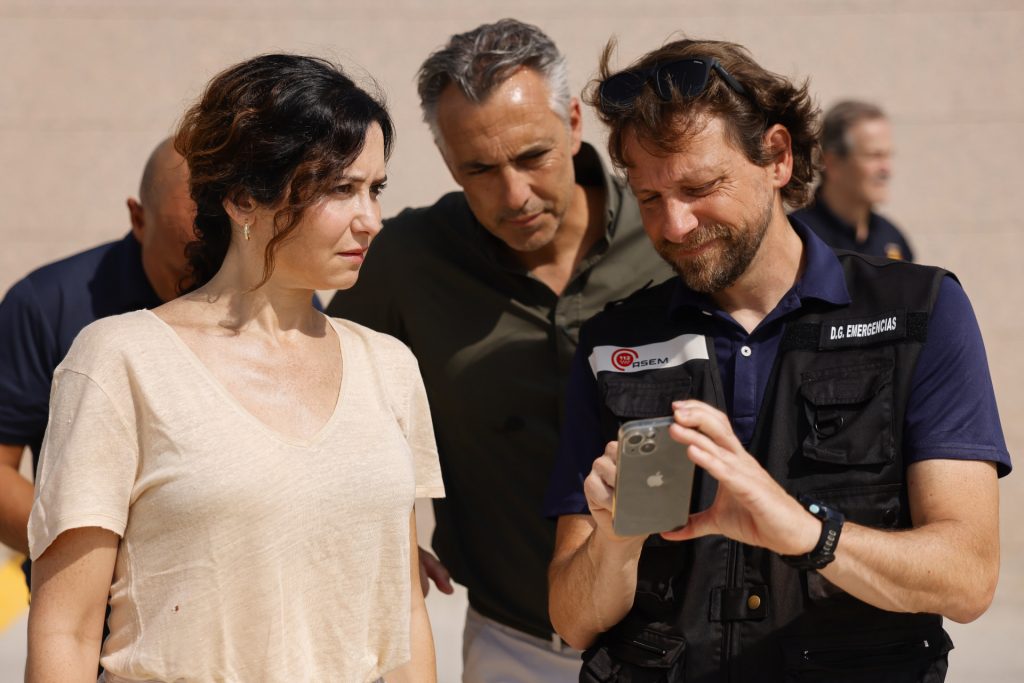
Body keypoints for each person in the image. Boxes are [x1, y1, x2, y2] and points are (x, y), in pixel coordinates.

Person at [545, 38, 1011, 682]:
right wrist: (615, 544)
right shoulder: (613, 341)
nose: (674, 225)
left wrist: (807, 533)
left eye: (700, 187)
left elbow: (968, 578)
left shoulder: (919, 312)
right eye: (650, 198)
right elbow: (572, 621)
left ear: (778, 157)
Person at [26, 54, 444, 682]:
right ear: (244, 198)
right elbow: (68, 628)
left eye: (375, 189)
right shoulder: (120, 360)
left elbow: (403, 612)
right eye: (340, 189)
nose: (372, 219)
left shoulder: (389, 366)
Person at [327, 19, 672, 682]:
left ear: (574, 123)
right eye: (479, 169)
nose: (514, 195)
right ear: (446, 159)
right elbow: (323, 399)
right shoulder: (405, 261)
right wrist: (373, 533)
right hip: (514, 646)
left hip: (683, 640)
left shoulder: (668, 230)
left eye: (533, 156)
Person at [0, 137, 194, 568]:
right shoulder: (46, 305)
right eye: (185, 274)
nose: (201, 298)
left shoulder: (273, 302)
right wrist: (96, 562)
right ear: (138, 219)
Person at [791, 100, 914, 260]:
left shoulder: (892, 239)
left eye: (888, 155)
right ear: (832, 163)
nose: (887, 169)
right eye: (874, 156)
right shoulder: (798, 237)